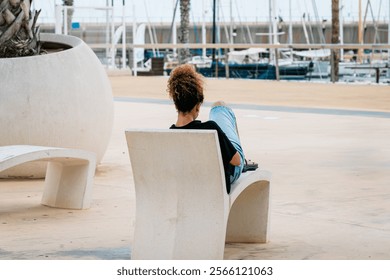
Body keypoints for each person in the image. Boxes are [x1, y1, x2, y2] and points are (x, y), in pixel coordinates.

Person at [167, 64, 257, 194]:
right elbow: (236, 161)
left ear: (176, 104)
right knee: (219, 107)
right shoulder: (210, 129)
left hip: (190, 182)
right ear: (197, 106)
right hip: (219, 180)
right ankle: (245, 160)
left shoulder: (170, 134)